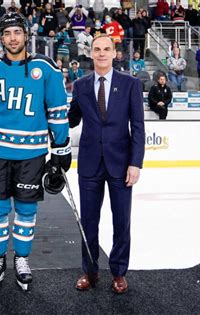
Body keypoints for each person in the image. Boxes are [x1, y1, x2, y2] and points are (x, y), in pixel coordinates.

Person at [0, 12, 71, 291]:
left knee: (26, 209)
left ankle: (22, 260)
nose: (12, 38)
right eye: (7, 33)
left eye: (17, 32)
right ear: (0, 38)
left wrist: (61, 148)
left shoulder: (46, 68)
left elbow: (57, 111)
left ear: (26, 35)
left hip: (32, 153)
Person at [68, 34, 145, 294]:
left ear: (114, 53)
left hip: (121, 164)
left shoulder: (130, 84)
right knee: (88, 221)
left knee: (121, 221)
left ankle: (119, 272)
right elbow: (71, 120)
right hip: (89, 164)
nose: (101, 53)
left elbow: (138, 126)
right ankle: (89, 271)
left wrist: (135, 164)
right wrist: (52, 105)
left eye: (106, 49)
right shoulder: (80, 85)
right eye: (97, 49)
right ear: (90, 53)